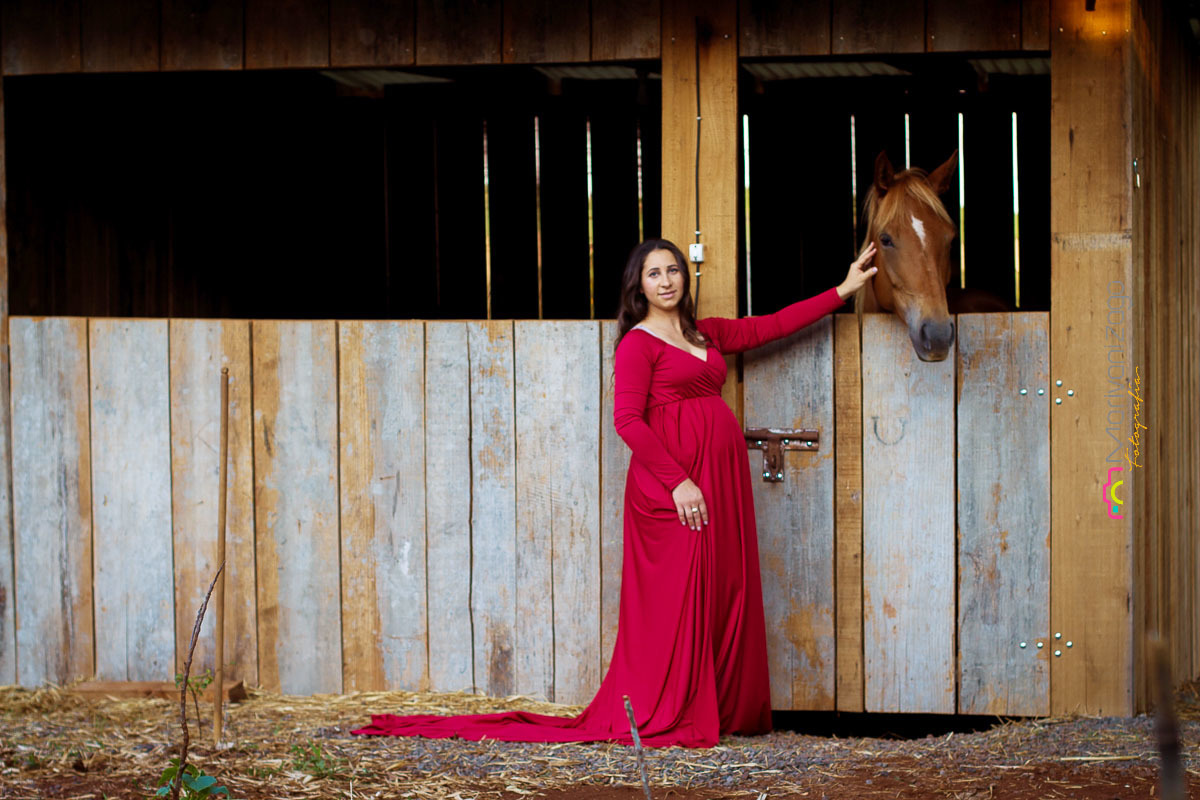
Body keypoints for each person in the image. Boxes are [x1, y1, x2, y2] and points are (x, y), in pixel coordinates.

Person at [352, 238, 878, 748]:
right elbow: (627, 420)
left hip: (720, 481)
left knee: (723, 588)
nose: (666, 281)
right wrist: (678, 482)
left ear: (684, 276)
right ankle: (672, 707)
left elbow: (771, 325)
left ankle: (719, 705)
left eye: (673, 270)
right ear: (639, 285)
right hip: (673, 488)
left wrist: (842, 290)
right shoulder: (637, 344)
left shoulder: (706, 334)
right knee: (680, 598)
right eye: (654, 273)